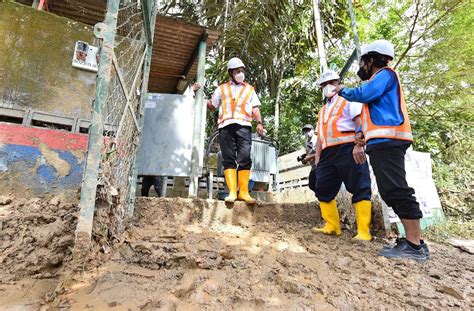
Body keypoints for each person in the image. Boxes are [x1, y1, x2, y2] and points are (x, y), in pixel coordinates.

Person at [334, 39, 429, 261]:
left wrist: (342, 90)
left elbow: (365, 94)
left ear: (373, 59)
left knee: (396, 189)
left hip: (390, 141)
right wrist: (360, 139)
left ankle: (415, 245)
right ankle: (413, 242)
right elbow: (370, 118)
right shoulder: (379, 81)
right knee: (389, 190)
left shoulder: (385, 75)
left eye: (364, 61)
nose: (362, 66)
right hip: (381, 142)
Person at [312, 69, 372, 241]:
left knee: (360, 186)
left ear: (339, 83)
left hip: (348, 148)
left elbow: (360, 122)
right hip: (327, 153)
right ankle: (332, 226)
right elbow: (320, 136)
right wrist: (317, 157)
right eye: (324, 84)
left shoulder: (349, 99)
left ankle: (363, 232)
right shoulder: (323, 110)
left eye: (331, 82)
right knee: (322, 187)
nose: (327, 86)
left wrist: (359, 145)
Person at [207, 57, 265, 204]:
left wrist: (259, 123)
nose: (241, 73)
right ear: (231, 73)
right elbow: (212, 105)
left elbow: (255, 108)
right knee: (228, 159)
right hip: (225, 127)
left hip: (244, 126)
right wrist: (198, 96)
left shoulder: (249, 89)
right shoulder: (221, 89)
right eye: (238, 71)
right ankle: (232, 192)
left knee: (245, 157)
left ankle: (244, 192)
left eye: (242, 71)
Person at [300, 124, 318, 194]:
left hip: (320, 164)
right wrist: (304, 159)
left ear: (313, 131)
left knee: (321, 184)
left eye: (308, 130)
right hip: (314, 166)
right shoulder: (306, 143)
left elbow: (320, 153)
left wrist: (309, 157)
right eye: (305, 131)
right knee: (312, 185)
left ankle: (326, 200)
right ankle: (322, 199)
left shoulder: (317, 139)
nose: (307, 132)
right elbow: (308, 154)